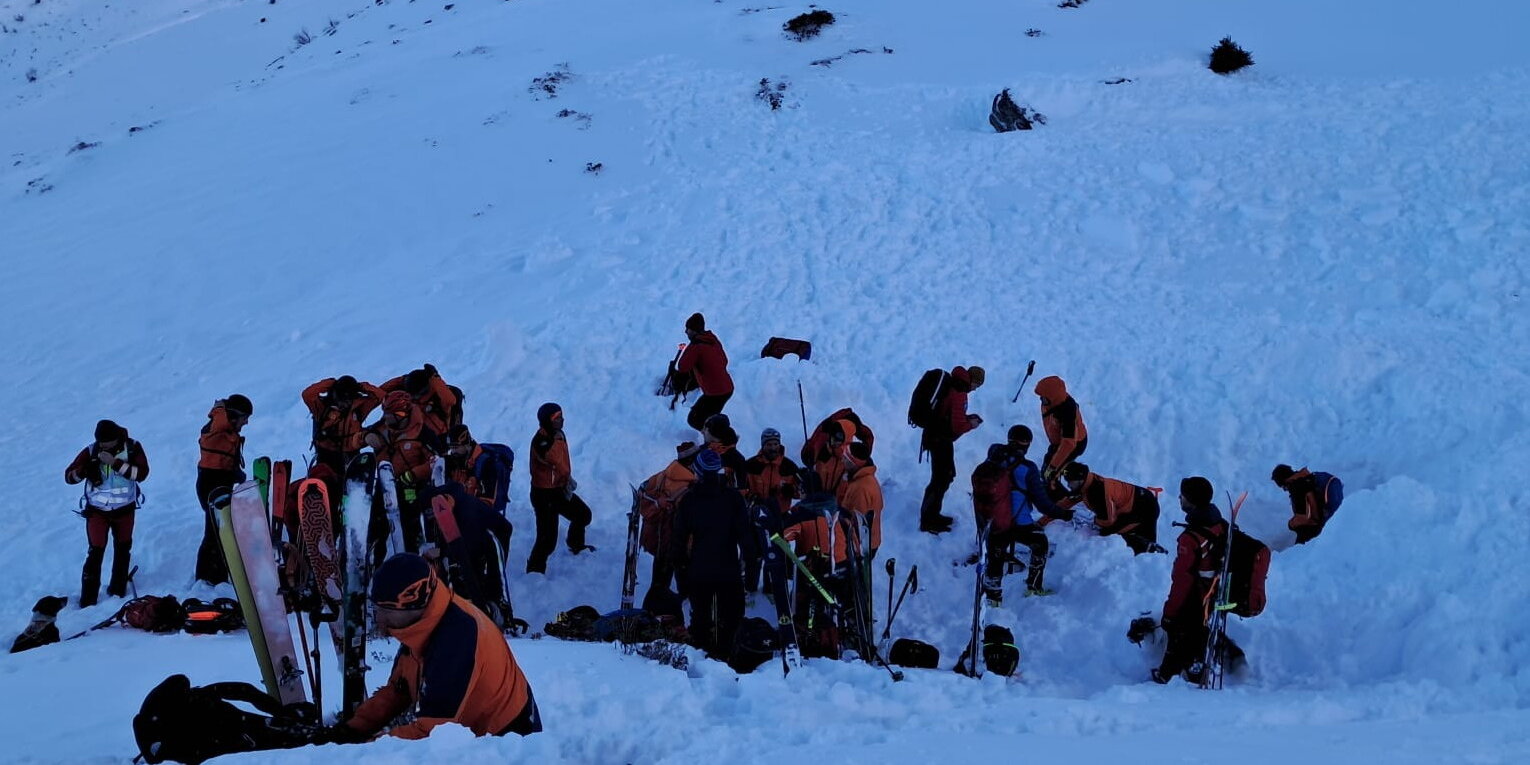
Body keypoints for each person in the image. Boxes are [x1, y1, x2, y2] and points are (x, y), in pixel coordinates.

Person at [330, 554, 540, 742]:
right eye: (376, 609)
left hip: (509, 742)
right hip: (472, 730)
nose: (379, 619)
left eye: (386, 611)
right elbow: (399, 690)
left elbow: (431, 734)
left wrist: (365, 749)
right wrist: (352, 729)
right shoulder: (424, 623)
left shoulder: (455, 640)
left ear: (414, 605)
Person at [1152, 476, 1242, 684]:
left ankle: (1170, 676)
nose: (1179, 498)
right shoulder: (1219, 523)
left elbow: (1182, 580)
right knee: (1197, 632)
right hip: (1215, 591)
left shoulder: (1190, 538)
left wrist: (1170, 612)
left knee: (1177, 629)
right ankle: (1198, 666)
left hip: (1196, 595)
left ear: (1191, 500)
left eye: (1183, 495)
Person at [672, 449, 755, 658]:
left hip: (699, 570)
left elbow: (679, 541)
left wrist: (682, 576)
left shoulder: (689, 500)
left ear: (698, 471)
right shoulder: (733, 498)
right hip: (729, 569)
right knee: (733, 620)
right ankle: (730, 659)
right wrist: (751, 571)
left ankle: (701, 662)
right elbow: (746, 537)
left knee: (700, 622)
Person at [972, 430, 1072, 603]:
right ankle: (1034, 587)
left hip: (994, 523)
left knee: (995, 557)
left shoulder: (993, 459)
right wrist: (1063, 514)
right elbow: (1043, 504)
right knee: (1040, 543)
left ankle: (993, 598)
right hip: (1020, 524)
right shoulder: (1028, 469)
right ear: (1027, 445)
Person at [64, 420, 149, 606]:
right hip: (97, 512)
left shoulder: (132, 448)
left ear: (117, 438)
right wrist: (84, 471)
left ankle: (118, 590)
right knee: (95, 553)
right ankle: (88, 600)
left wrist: (115, 463)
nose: (103, 446)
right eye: (100, 442)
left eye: (107, 442)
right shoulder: (91, 450)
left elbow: (142, 474)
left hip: (125, 510)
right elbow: (69, 477)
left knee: (123, 549)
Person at [421, 482, 517, 630]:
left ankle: (497, 613)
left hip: (492, 537)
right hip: (469, 539)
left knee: (487, 582)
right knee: (459, 575)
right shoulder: (437, 507)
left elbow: (464, 561)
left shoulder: (466, 516)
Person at [363, 391, 443, 553]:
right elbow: (361, 435)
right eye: (385, 414)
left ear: (401, 415)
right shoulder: (384, 427)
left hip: (411, 486)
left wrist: (413, 475)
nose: (386, 418)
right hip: (385, 484)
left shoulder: (422, 433)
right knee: (377, 525)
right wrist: (367, 436)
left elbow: (437, 462)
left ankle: (413, 556)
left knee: (409, 526)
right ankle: (373, 560)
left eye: (390, 415)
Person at [525, 403, 594, 574]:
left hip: (558, 490)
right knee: (547, 539)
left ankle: (575, 544)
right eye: (557, 418)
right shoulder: (542, 441)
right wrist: (556, 439)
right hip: (543, 495)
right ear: (547, 421)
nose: (562, 420)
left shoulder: (557, 435)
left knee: (583, 515)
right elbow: (553, 458)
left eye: (561, 416)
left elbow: (561, 464)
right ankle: (535, 570)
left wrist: (566, 479)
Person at [917, 366, 984, 533]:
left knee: (944, 476)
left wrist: (967, 418)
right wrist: (971, 424)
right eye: (977, 385)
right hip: (940, 439)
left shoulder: (954, 384)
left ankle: (932, 514)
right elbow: (957, 426)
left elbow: (951, 416)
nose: (975, 389)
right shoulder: (960, 392)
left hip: (936, 436)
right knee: (941, 478)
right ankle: (928, 520)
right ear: (973, 381)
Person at [637, 442, 700, 613]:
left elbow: (643, 488)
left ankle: (654, 610)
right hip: (674, 540)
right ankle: (657, 612)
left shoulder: (666, 474)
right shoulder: (686, 484)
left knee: (660, 579)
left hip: (661, 540)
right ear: (691, 460)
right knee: (672, 580)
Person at [195, 395, 252, 585]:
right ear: (233, 416)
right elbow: (220, 421)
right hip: (211, 484)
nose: (246, 422)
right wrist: (222, 408)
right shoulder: (216, 427)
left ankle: (217, 575)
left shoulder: (225, 430)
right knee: (215, 532)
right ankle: (207, 578)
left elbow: (221, 458)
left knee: (221, 530)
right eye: (244, 418)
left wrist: (235, 473)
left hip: (220, 482)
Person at [1057, 462, 1165, 554]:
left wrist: (1095, 521)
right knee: (1120, 530)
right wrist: (1051, 512)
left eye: (1069, 481)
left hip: (1145, 508)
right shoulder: (1088, 482)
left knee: (1109, 533)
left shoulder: (1097, 491)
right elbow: (1068, 501)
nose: (1068, 485)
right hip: (1142, 500)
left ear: (1079, 479)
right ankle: (1150, 551)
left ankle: (1149, 551)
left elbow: (1108, 520)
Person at [675, 313, 734, 433]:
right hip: (726, 388)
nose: (686, 332)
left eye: (688, 329)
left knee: (696, 420)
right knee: (706, 419)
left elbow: (682, 367)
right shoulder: (712, 339)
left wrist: (692, 346)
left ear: (694, 330)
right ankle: (715, 438)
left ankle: (716, 440)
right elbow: (725, 360)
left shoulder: (696, 346)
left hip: (716, 392)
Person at [445, 425, 515, 517]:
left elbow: (487, 503)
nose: (453, 451)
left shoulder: (487, 464)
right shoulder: (458, 459)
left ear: (466, 444)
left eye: (456, 447)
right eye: (451, 448)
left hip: (477, 512)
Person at [1033, 375, 1088, 484]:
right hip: (1059, 443)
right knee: (1048, 466)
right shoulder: (1052, 403)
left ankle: (1072, 478)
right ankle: (1058, 473)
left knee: (1052, 473)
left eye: (1044, 398)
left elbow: (1068, 444)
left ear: (1053, 398)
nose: (1041, 400)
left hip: (1074, 445)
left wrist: (1053, 467)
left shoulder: (1068, 412)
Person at [1271, 464, 1344, 544]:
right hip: (1333, 517)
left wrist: (1291, 524)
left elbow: (1308, 518)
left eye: (1284, 487)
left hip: (1315, 531)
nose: (1286, 490)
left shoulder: (1297, 487)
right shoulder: (1309, 477)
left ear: (1286, 481)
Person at [381, 365, 462, 436]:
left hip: (439, 440)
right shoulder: (408, 398)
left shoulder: (438, 397)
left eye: (416, 394)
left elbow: (450, 401)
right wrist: (402, 380)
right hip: (413, 440)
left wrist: (435, 378)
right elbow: (381, 391)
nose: (413, 397)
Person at [742, 428, 800, 516]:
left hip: (781, 515)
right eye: (769, 445)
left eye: (776, 444)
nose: (773, 448)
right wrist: (752, 497)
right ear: (763, 446)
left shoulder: (789, 466)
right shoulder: (751, 465)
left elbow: (803, 492)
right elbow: (740, 490)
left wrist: (791, 491)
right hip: (756, 514)